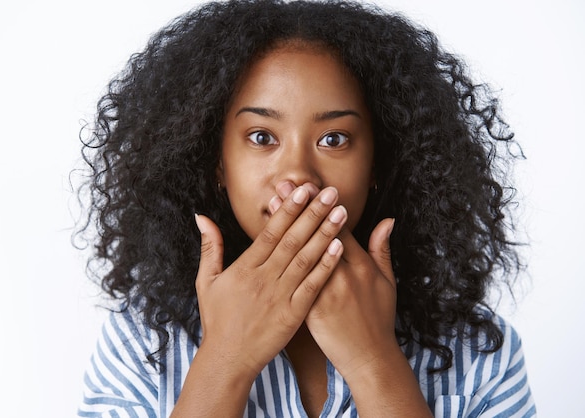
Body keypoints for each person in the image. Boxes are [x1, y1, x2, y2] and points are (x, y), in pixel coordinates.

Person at [76, 0, 536, 416]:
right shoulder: (139, 343)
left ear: (378, 162)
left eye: (333, 139)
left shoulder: (479, 351)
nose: (297, 175)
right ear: (217, 163)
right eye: (262, 137)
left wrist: (374, 360)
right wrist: (226, 359)